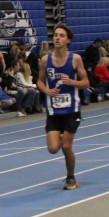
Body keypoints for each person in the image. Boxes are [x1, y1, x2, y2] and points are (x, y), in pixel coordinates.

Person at [37, 24, 89, 191]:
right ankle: (62, 135)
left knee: (66, 146)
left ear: (68, 40)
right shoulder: (45, 60)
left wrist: (72, 82)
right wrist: (47, 91)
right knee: (53, 149)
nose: (57, 38)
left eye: (61, 35)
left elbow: (86, 82)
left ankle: (71, 177)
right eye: (55, 35)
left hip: (71, 109)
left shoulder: (75, 59)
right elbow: (39, 82)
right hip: (54, 110)